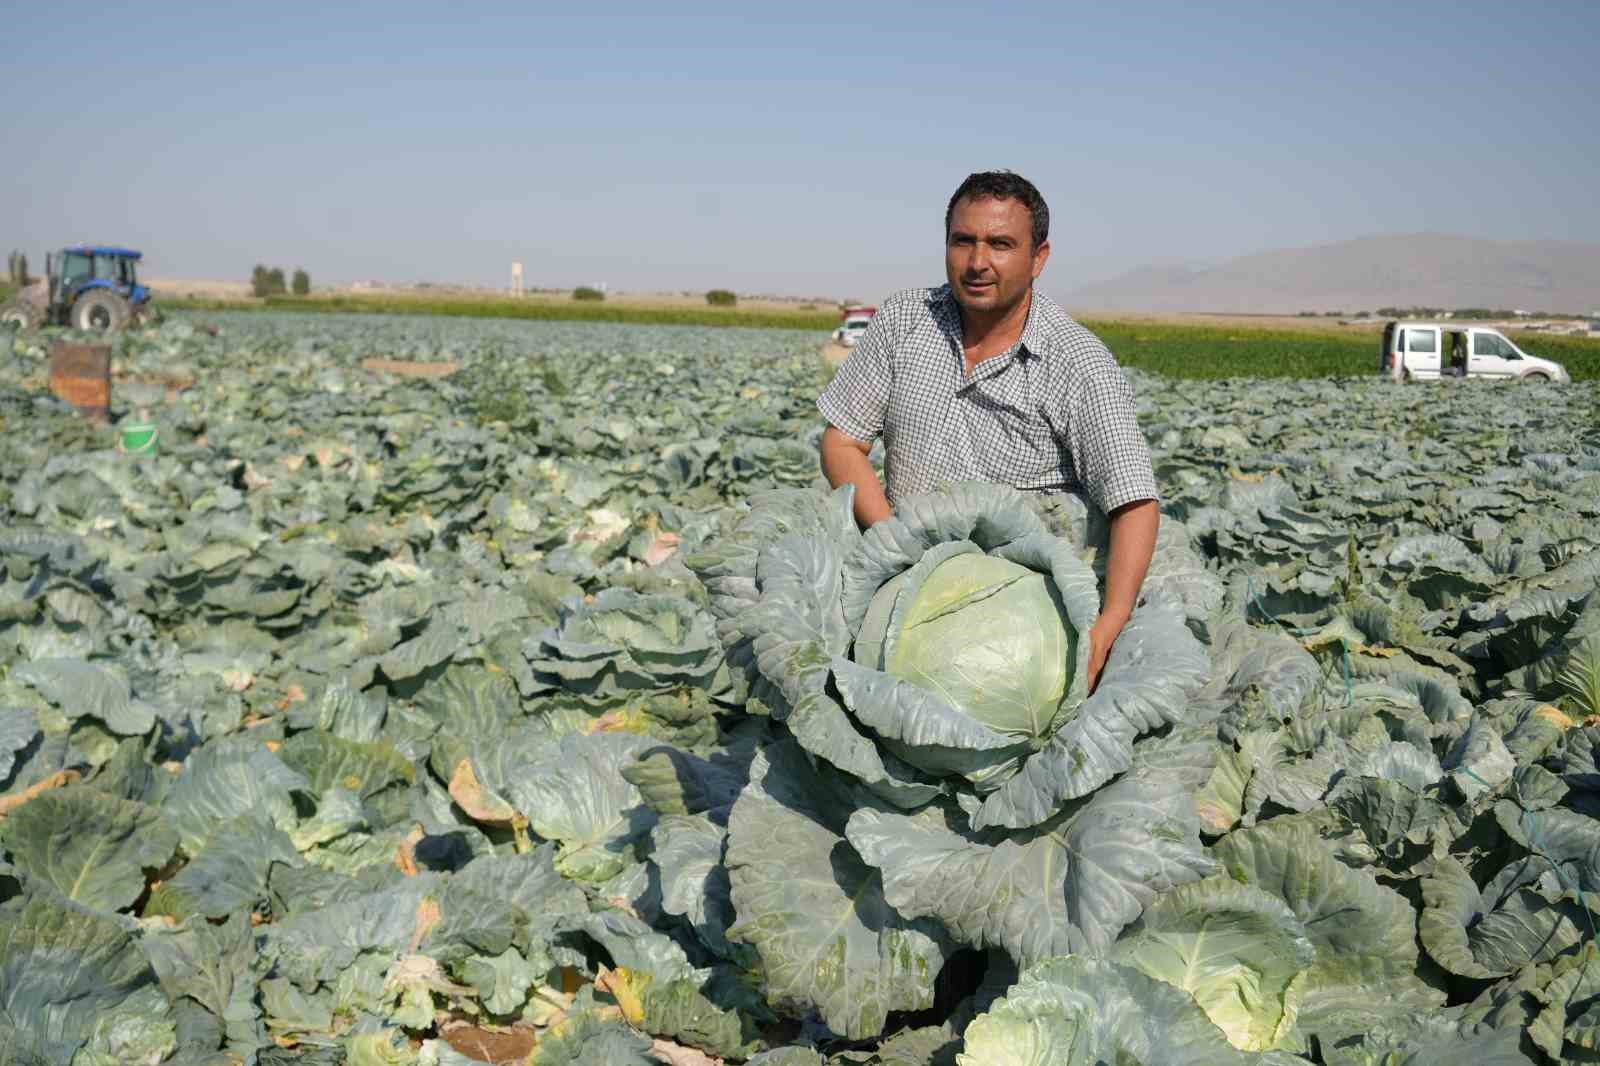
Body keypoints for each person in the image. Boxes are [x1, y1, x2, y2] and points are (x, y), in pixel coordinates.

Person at [816, 170, 1159, 693]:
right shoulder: (903, 321)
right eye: (963, 241)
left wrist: (1106, 628)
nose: (978, 263)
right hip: (897, 596)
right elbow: (842, 442)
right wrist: (898, 548)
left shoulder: (1079, 363)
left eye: (1001, 244)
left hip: (1028, 638)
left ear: (1038, 258)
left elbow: (1133, 503)